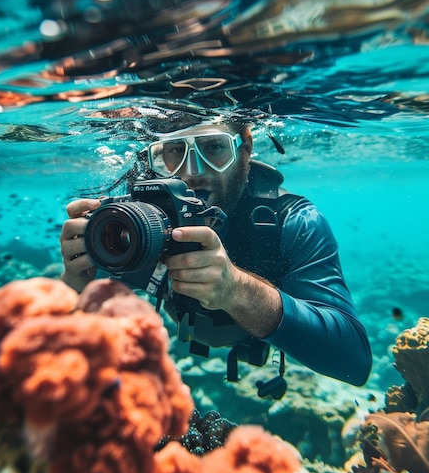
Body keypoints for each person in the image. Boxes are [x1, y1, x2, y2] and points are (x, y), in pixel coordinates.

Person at [60, 120, 372, 388]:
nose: (193, 173)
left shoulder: (290, 221)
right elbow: (58, 341)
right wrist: (75, 282)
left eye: (213, 148)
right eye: (175, 151)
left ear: (245, 148)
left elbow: (354, 360)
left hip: (252, 343)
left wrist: (235, 290)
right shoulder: (136, 220)